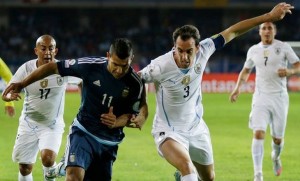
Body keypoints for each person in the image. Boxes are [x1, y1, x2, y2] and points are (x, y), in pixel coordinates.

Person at [138, 2, 294, 181]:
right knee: (187, 169)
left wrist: (268, 16)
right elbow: (137, 79)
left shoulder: (206, 48)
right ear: (174, 47)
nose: (183, 56)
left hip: (196, 128)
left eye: (189, 51)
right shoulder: (160, 65)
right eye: (179, 50)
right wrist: (143, 109)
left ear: (197, 48)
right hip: (168, 130)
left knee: (209, 178)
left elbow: (233, 31)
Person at [3, 38, 148, 181]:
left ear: (131, 59)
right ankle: (65, 166)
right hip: (83, 131)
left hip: (108, 142)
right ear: (108, 56)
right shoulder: (90, 66)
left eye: (125, 65)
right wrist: (22, 84)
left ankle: (60, 167)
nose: (119, 70)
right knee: (73, 176)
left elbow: (132, 114)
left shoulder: (135, 83)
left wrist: (117, 121)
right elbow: (53, 67)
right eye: (115, 64)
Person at [1, 34, 81, 181]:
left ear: (56, 51)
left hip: (51, 124)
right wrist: (8, 97)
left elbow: (82, 80)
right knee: (25, 168)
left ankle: (50, 173)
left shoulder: (63, 68)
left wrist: (84, 102)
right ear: (36, 51)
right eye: (43, 48)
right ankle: (51, 173)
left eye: (51, 48)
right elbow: (7, 91)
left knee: (48, 159)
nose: (47, 52)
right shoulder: (26, 68)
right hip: (28, 123)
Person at [229, 22, 300, 181]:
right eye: (264, 28)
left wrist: (290, 71)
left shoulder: (283, 47)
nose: (267, 31)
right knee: (258, 132)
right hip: (260, 97)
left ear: (275, 31)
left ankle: (275, 157)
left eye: (270, 28)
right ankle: (258, 175)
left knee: (277, 139)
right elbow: (246, 71)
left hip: (280, 98)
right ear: (259, 32)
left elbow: (298, 65)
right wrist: (237, 88)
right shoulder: (253, 50)